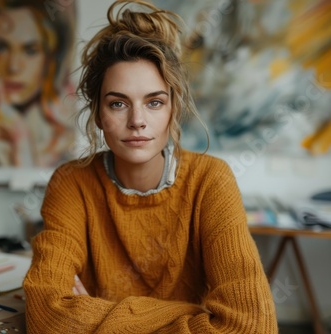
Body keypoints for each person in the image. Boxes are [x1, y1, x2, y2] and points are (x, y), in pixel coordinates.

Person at [23, 0, 278, 332]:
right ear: (99, 114)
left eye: (154, 102)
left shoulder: (210, 181)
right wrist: (190, 314)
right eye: (118, 104)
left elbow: (253, 325)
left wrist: (98, 316)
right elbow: (46, 316)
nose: (137, 121)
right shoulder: (72, 183)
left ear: (173, 109)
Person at [0, 0, 76, 167]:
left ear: (49, 61)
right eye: (1, 48)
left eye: (30, 50)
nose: (13, 66)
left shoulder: (69, 150)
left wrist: (21, 139)